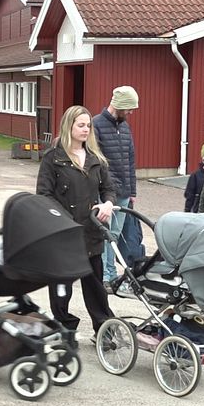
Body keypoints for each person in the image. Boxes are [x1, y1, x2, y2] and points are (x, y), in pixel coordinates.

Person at [36, 105, 117, 338]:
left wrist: (108, 204)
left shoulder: (95, 158)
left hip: (92, 232)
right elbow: (44, 194)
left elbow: (108, 188)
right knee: (62, 286)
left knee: (95, 286)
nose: (85, 129)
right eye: (80, 125)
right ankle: (64, 326)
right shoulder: (54, 158)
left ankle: (103, 329)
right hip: (65, 234)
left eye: (88, 125)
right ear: (68, 126)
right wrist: (64, 218)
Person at [92, 85, 139, 289]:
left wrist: (132, 191)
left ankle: (109, 273)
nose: (130, 113)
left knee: (116, 235)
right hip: (106, 193)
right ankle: (105, 276)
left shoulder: (125, 127)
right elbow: (97, 162)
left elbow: (130, 160)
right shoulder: (96, 125)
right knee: (105, 236)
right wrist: (106, 191)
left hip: (124, 192)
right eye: (129, 108)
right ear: (119, 105)